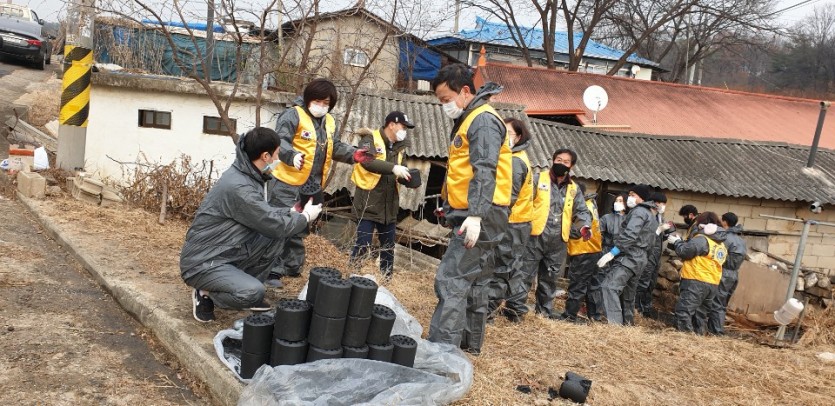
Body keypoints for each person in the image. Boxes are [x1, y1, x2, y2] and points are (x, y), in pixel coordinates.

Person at [180, 128, 322, 322]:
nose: (278, 159)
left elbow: (264, 215)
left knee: (274, 238)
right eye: (277, 154)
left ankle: (240, 283)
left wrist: (291, 211)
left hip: (226, 249)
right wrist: (305, 217)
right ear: (265, 156)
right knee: (253, 292)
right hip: (203, 262)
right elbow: (274, 224)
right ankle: (208, 292)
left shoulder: (248, 174)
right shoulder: (240, 187)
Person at [427, 63, 512, 354]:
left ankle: (441, 353)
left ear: (465, 91)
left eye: (446, 99)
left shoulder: (482, 120)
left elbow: (484, 169)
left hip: (481, 213)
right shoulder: (472, 118)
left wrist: (475, 214)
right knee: (475, 281)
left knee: (452, 279)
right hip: (485, 212)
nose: (444, 106)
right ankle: (469, 346)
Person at [268, 78, 373, 283]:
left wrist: (353, 154)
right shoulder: (293, 115)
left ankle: (291, 266)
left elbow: (334, 146)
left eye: (326, 103)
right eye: (318, 101)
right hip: (287, 182)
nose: (322, 106)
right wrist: (292, 156)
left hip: (312, 184)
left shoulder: (330, 121)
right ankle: (272, 270)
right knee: (281, 224)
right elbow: (280, 140)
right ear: (308, 98)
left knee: (301, 225)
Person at [514, 148, 592, 320]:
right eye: (559, 160)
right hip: (534, 236)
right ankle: (515, 311)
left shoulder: (574, 189)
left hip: (558, 241)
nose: (561, 163)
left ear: (571, 166)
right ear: (553, 160)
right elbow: (523, 202)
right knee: (524, 275)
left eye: (566, 162)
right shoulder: (537, 179)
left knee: (549, 279)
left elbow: (582, 211)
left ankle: (543, 315)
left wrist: (584, 226)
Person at [349, 111, 415, 279]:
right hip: (368, 203)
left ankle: (386, 281)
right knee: (363, 245)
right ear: (391, 125)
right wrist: (393, 168)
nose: (405, 131)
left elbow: (401, 170)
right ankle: (352, 276)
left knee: (388, 248)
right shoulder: (369, 139)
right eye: (403, 127)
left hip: (388, 207)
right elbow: (366, 161)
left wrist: (409, 179)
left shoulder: (400, 148)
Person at [487, 117, 534, 322]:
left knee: (501, 268)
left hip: (512, 222)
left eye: (508, 134)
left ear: (519, 136)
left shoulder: (515, 162)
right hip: (517, 221)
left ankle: (486, 313)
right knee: (512, 268)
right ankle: (516, 310)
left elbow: (508, 198)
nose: (503, 137)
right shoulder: (513, 157)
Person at [599, 184, 658, 325]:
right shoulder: (651, 215)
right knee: (628, 295)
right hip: (641, 259)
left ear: (641, 198)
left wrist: (613, 252)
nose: (629, 198)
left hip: (629, 256)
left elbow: (630, 235)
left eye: (633, 195)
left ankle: (615, 326)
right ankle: (628, 325)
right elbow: (652, 243)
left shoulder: (638, 212)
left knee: (609, 286)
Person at [666, 212, 728, 334]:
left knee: (684, 312)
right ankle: (698, 338)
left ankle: (685, 338)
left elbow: (685, 252)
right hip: (712, 283)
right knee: (700, 315)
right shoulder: (720, 244)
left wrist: (677, 242)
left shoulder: (702, 239)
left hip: (696, 280)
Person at [555, 183, 602, 322]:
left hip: (583, 250)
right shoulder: (591, 204)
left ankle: (569, 316)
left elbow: (577, 232)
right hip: (593, 250)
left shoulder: (583, 210)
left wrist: (558, 228)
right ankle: (595, 317)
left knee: (577, 285)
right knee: (591, 286)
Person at [587, 193, 628, 321]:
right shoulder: (606, 218)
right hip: (605, 252)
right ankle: (595, 314)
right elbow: (598, 235)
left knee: (615, 286)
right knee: (598, 282)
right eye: (616, 200)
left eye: (621, 201)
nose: (617, 203)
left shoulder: (629, 219)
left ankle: (612, 316)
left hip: (621, 255)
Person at [635, 192, 674, 317]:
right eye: (661, 203)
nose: (663, 206)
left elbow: (658, 238)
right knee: (643, 282)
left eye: (664, 204)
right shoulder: (648, 215)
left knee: (651, 282)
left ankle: (646, 307)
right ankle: (636, 308)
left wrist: (666, 234)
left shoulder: (660, 217)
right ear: (654, 203)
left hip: (656, 255)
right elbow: (645, 236)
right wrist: (658, 230)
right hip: (648, 253)